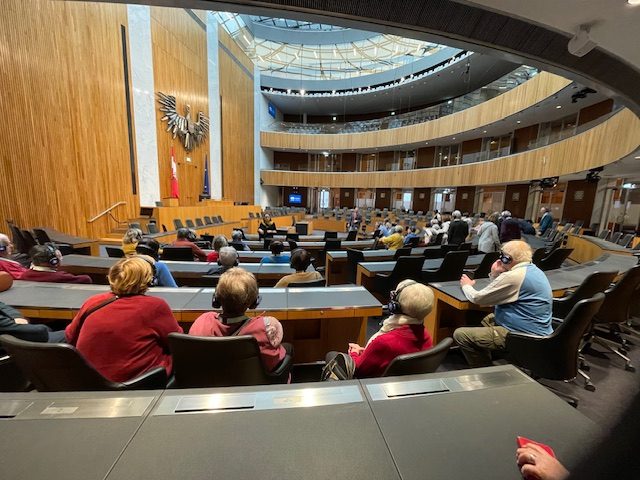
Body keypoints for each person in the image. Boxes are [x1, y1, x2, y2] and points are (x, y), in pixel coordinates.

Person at [65, 257, 182, 382]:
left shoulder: (92, 301)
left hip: (88, 381)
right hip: (136, 382)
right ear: (149, 280)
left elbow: (70, 335)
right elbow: (177, 342)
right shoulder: (155, 306)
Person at [453, 240, 553, 367]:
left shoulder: (514, 276)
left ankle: (485, 372)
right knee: (484, 319)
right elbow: (496, 293)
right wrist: (495, 274)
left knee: (461, 335)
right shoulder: (533, 270)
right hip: (535, 331)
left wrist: (466, 285)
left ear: (507, 259)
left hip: (520, 335)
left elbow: (477, 298)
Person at [323, 280, 434, 379]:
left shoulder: (383, 342)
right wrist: (368, 352)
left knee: (331, 355)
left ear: (395, 306)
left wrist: (354, 353)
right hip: (406, 385)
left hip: (374, 386)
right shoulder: (427, 336)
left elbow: (359, 369)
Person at [189, 267, 287, 373]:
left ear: (216, 298)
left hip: (208, 380)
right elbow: (273, 362)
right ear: (254, 301)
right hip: (251, 381)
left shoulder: (202, 321)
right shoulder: (266, 328)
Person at [0, 275, 66, 342]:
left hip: (19, 332)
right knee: (70, 335)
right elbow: (39, 331)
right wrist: (44, 328)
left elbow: (2, 305)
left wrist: (16, 316)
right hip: (23, 341)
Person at [21, 244, 92, 284]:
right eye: (59, 257)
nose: (61, 259)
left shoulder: (25, 275)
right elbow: (86, 279)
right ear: (53, 261)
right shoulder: (60, 277)